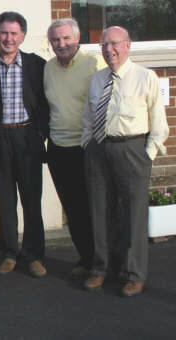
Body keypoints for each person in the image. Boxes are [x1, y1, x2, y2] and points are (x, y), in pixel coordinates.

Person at [81, 26, 168, 297]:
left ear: (128, 45)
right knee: (100, 211)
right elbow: (87, 116)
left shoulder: (145, 77)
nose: (109, 50)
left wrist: (147, 154)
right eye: (104, 45)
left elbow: (159, 124)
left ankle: (134, 274)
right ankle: (101, 268)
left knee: (133, 214)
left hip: (131, 150)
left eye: (115, 44)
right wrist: (87, 143)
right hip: (98, 150)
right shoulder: (96, 80)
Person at [0, 12, 49, 278]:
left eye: (13, 33)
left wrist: (39, 134)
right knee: (6, 200)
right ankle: (9, 253)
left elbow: (46, 103)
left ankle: (33, 255)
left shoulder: (37, 65)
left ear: (22, 35)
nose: (8, 38)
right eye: (3, 32)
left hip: (27, 139)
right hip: (0, 139)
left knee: (32, 200)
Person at [44, 18, 106, 278]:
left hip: (87, 147)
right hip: (58, 149)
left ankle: (104, 262)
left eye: (66, 38)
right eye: (56, 40)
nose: (62, 44)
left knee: (94, 207)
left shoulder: (94, 64)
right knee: (73, 208)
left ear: (77, 38)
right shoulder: (48, 68)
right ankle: (86, 257)